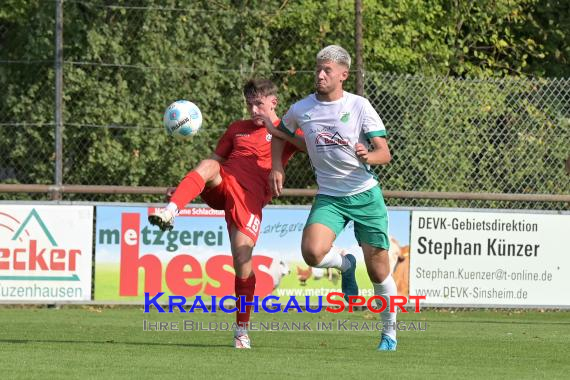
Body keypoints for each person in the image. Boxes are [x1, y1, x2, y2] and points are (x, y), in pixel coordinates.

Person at [148, 78, 305, 349]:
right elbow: (214, 164)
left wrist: (278, 134)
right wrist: (181, 190)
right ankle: (171, 210)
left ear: (273, 102)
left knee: (243, 260)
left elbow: (308, 148)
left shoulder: (285, 130)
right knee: (208, 164)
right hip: (224, 184)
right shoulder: (237, 129)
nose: (254, 110)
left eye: (258, 104)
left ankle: (241, 330)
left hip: (249, 200)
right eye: (249, 105)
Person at [266, 45, 398, 351]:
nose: (321, 75)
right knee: (312, 252)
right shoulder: (302, 109)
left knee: (379, 272)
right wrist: (276, 166)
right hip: (330, 196)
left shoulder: (359, 105)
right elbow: (279, 133)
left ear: (343, 74)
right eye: (318, 69)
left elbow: (385, 152)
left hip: (365, 195)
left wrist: (369, 154)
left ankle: (389, 334)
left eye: (327, 70)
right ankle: (346, 265)